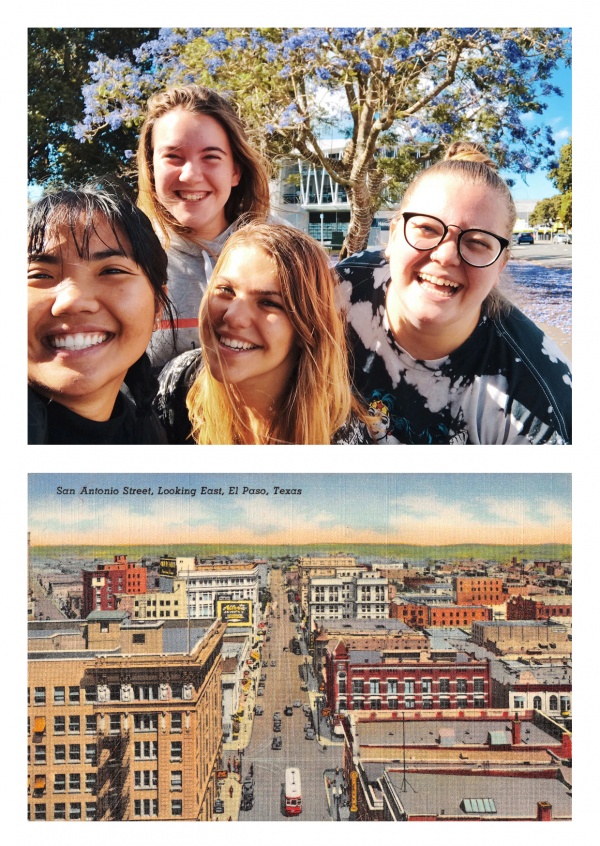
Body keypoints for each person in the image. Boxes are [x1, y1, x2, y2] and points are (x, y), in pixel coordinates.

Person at [336, 141, 572, 444]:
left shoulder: (538, 403)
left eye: (477, 241)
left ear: (500, 265)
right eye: (427, 229)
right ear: (394, 236)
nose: (446, 256)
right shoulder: (340, 289)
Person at [155, 222, 369, 444]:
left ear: (307, 327)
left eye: (269, 303)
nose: (233, 316)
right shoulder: (178, 382)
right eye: (226, 290)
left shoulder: (339, 438)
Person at [137, 84, 271, 368]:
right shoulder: (126, 259)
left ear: (235, 171)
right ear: (151, 168)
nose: (191, 175)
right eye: (173, 157)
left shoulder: (282, 254)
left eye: (211, 157)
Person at [28, 186, 174, 444]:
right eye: (40, 275)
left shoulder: (149, 433)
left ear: (157, 307)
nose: (72, 301)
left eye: (111, 271)